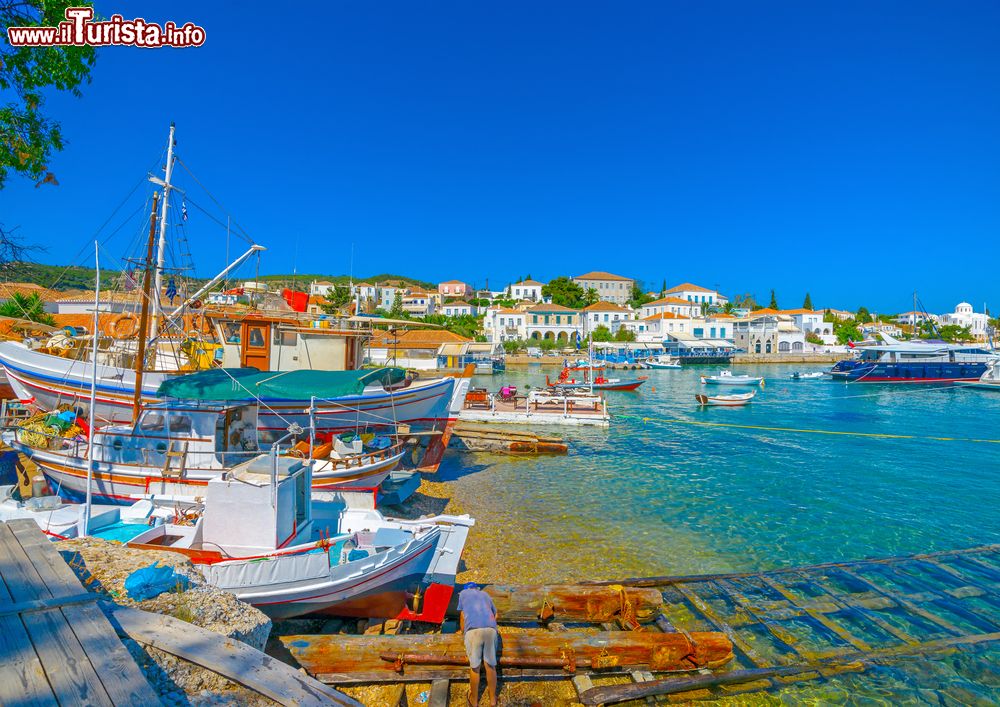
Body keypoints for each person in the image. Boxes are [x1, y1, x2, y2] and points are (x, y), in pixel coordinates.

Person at [457, 582, 498, 707]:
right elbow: (496, 615)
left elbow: (463, 615)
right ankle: (492, 700)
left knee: (475, 667)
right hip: (490, 630)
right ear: (477, 589)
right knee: (490, 665)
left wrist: (462, 631)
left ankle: (474, 701)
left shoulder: (463, 594)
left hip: (473, 632)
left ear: (466, 589)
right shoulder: (485, 594)